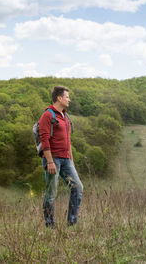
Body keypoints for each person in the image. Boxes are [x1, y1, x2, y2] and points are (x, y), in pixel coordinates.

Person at [38, 86, 83, 227]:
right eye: (67, 97)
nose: (69, 99)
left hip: (66, 160)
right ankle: (50, 224)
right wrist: (50, 162)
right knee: (51, 193)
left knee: (78, 188)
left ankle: (72, 222)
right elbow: (44, 140)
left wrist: (72, 160)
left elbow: (68, 140)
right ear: (59, 98)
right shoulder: (47, 115)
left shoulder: (65, 116)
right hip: (53, 159)